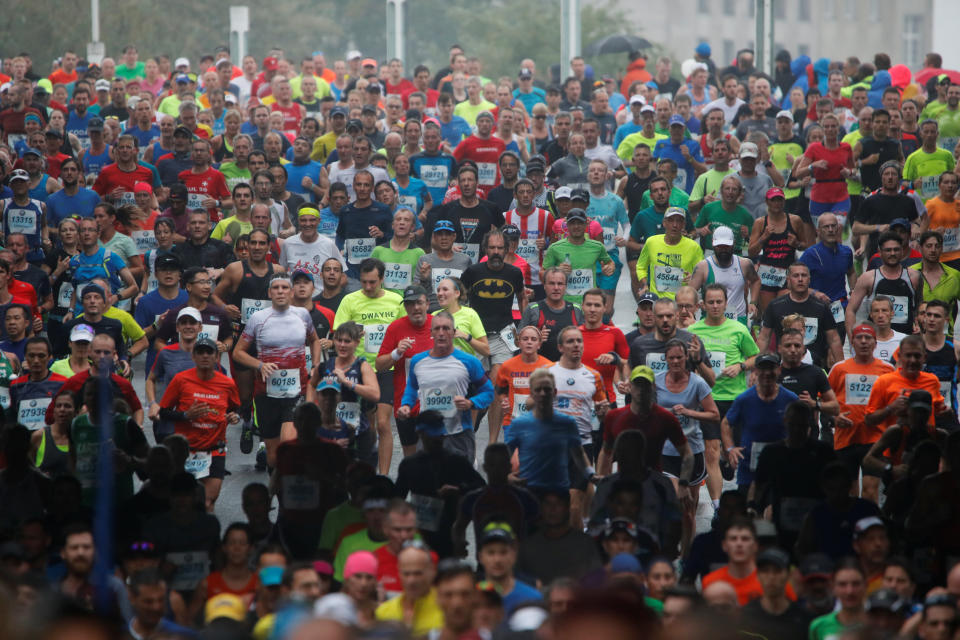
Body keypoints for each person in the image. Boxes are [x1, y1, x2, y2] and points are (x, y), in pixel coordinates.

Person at [233, 275, 321, 469]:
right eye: (276, 288)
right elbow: (238, 353)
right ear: (269, 293)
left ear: (291, 292)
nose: (280, 291)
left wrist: (315, 365)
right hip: (266, 392)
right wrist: (259, 365)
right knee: (273, 457)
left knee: (288, 443)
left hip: (296, 391)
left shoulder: (302, 315)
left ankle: (292, 485)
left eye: (284, 288)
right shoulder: (258, 319)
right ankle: (279, 492)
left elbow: (314, 340)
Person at [688, 283, 759, 508]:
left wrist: (740, 366)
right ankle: (718, 506)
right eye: (711, 302)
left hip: (736, 399)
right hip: (707, 399)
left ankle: (736, 481)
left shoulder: (738, 329)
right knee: (711, 450)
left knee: (736, 452)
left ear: (726, 303)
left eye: (720, 301)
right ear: (703, 305)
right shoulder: (694, 332)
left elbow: (756, 357)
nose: (716, 306)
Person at [398, 311, 493, 462]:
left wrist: (471, 403)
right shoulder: (418, 361)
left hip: (459, 435)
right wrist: (406, 405)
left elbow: (488, 392)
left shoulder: (469, 361)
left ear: (454, 332)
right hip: (427, 435)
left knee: (460, 484)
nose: (441, 333)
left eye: (446, 328)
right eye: (437, 329)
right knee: (428, 484)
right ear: (431, 333)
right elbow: (411, 388)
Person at [157, 335, 240, 509]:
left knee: (207, 501)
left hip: (214, 449)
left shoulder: (227, 383)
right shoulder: (181, 380)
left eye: (209, 352)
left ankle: (205, 534)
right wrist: (186, 415)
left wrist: (234, 417)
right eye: (200, 352)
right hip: (186, 451)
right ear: (193, 357)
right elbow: (163, 412)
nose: (205, 356)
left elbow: (235, 408)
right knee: (185, 503)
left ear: (217, 357)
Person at [461, 230, 526, 441]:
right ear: (485, 249)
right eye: (492, 248)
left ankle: (492, 444)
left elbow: (522, 298)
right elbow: (460, 298)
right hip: (476, 335)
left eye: (500, 248)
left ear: (507, 250)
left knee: (498, 386)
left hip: (503, 335)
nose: (496, 252)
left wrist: (524, 327)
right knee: (476, 387)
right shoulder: (472, 272)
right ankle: (471, 434)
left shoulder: (515, 273)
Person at [655, 338, 719, 552]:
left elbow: (714, 415)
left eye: (679, 357)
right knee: (674, 499)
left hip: (692, 452)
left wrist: (689, 412)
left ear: (686, 358)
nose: (675, 361)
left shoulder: (697, 383)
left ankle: (687, 554)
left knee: (688, 509)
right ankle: (668, 546)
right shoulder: (656, 381)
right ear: (665, 359)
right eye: (671, 358)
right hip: (666, 452)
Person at [394, 412, 485, 559]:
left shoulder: (456, 461)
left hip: (449, 530)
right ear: (420, 433)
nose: (438, 439)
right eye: (432, 436)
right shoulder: (409, 465)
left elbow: (481, 487)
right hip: (420, 532)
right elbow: (397, 498)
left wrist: (459, 490)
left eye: (440, 435)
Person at [722, 352, 799, 489]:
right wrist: (730, 449)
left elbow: (804, 425)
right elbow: (726, 423)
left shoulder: (790, 399)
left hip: (782, 469)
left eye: (771, 368)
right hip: (749, 471)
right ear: (756, 371)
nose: (767, 373)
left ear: (779, 370)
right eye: (763, 368)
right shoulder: (744, 399)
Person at [758, 262, 843, 369]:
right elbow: (764, 338)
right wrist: (757, 366)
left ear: (809, 279)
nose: (800, 279)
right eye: (796, 275)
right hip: (783, 366)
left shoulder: (821, 307)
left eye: (804, 275)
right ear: (788, 280)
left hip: (815, 367)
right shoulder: (775, 305)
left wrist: (841, 368)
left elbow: (834, 339)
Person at [847, 231, 923, 337]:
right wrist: (852, 339)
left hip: (905, 341)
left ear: (902, 251)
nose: (892, 253)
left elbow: (919, 306)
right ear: (880, 252)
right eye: (888, 250)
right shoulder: (868, 278)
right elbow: (850, 310)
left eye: (896, 249)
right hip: (875, 342)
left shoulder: (914, 277)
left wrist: (919, 324)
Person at [687, 227, 760, 325]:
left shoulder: (744, 264)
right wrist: (697, 304)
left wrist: (753, 302)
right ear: (713, 243)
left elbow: (756, 281)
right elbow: (689, 294)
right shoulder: (702, 267)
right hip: (711, 321)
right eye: (719, 246)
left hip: (737, 320)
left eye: (726, 246)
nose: (723, 250)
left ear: (733, 243)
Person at [543, 208, 615, 305]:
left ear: (586, 225)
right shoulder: (555, 248)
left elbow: (609, 262)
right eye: (572, 223)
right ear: (567, 225)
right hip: (564, 304)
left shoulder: (597, 247)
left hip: (589, 303)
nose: (576, 226)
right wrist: (557, 270)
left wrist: (609, 268)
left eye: (580, 223)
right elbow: (542, 273)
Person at [740, 548, 813, 640]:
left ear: (788, 575)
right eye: (765, 571)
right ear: (757, 575)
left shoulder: (804, 619)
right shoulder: (744, 616)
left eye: (777, 571)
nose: (771, 577)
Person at [635, 207, 703, 301]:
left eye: (679, 221)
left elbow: (702, 274)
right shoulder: (652, 242)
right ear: (664, 223)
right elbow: (640, 267)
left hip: (682, 303)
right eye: (670, 220)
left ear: (684, 224)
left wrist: (693, 279)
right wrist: (645, 285)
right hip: (657, 303)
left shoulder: (694, 247)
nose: (674, 225)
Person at [374, 545, 443, 635]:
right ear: (398, 573)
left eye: (418, 573)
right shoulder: (383, 612)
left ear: (432, 572)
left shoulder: (446, 609)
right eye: (406, 574)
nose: (411, 580)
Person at [476, 522, 542, 614]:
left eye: (503, 552)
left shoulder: (533, 598)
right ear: (480, 557)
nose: (497, 560)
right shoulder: (470, 599)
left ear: (514, 555)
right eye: (491, 553)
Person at [8, 337, 67, 432]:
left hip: (50, 441)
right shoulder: (16, 385)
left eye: (41, 356)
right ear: (25, 357)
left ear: (49, 357)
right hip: (24, 441)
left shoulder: (62, 383)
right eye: (31, 356)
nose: (36, 360)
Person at [808, 560, 868, 640]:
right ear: (833, 587)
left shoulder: (878, 625)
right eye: (842, 584)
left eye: (856, 584)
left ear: (865, 585)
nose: (849, 591)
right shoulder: (819, 626)